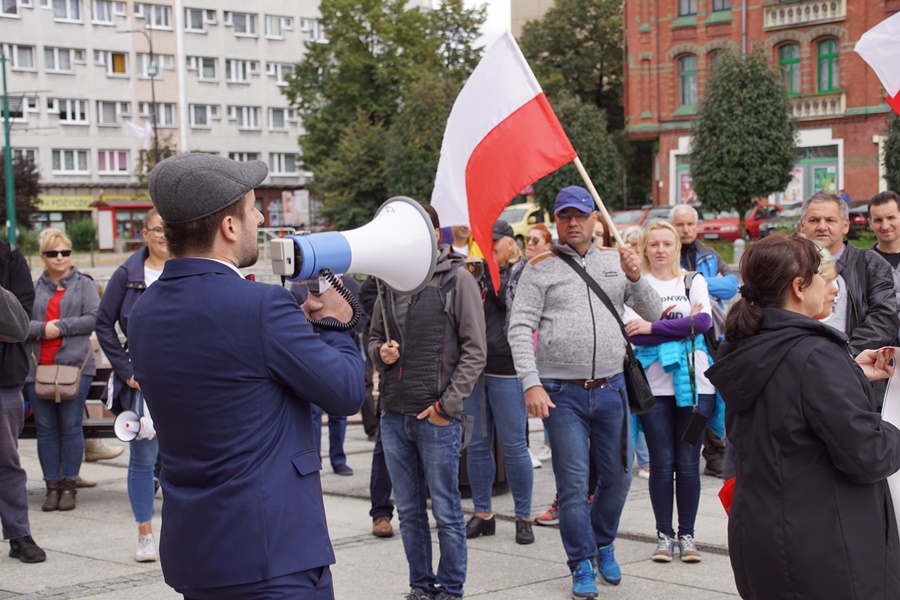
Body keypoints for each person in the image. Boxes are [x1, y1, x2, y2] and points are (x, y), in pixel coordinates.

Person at [128, 153, 365, 599]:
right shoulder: (262, 308)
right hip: (272, 558)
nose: (259, 217)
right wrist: (334, 322)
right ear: (229, 227)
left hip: (197, 556)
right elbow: (347, 392)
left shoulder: (145, 310)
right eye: (253, 208)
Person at [706, 233, 900, 600]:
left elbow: (788, 409)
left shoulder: (746, 343)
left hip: (764, 538)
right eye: (824, 277)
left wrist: (850, 373)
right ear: (799, 286)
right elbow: (868, 455)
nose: (833, 287)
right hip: (825, 548)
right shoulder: (814, 355)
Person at [508, 185, 661, 599]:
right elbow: (519, 327)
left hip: (612, 388)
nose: (572, 223)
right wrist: (531, 381)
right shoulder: (539, 267)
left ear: (595, 219)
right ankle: (580, 562)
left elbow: (654, 314)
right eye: (564, 217)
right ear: (556, 221)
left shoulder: (616, 261)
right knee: (573, 485)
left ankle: (603, 542)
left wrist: (636, 277)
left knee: (620, 477)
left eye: (580, 215)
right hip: (560, 393)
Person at [368, 202, 486, 600]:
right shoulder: (388, 282)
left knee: (448, 513)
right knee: (411, 513)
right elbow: (371, 338)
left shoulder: (457, 279)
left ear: (437, 234)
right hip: (393, 416)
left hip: (435, 416)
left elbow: (475, 351)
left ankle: (451, 589)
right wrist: (378, 353)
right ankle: (421, 586)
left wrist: (446, 407)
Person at [624, 220, 722, 563]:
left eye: (667, 243)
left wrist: (652, 325)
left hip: (695, 388)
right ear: (644, 249)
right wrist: (681, 327)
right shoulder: (637, 285)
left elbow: (704, 323)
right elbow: (632, 335)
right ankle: (665, 535)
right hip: (652, 388)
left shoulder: (692, 281)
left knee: (688, 463)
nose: (661, 250)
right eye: (654, 244)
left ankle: (688, 536)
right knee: (662, 464)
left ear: (677, 248)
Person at [95, 208, 170, 562]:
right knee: (143, 459)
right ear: (144, 233)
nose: (163, 236)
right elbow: (103, 323)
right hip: (141, 383)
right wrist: (126, 370)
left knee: (185, 457)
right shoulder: (128, 273)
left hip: (183, 377)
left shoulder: (187, 267)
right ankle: (145, 534)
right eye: (157, 230)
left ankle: (184, 531)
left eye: (169, 229)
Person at [464, 220, 534, 545]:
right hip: (475, 369)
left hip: (507, 368)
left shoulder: (522, 272)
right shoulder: (475, 271)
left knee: (513, 446)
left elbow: (514, 307)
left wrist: (490, 277)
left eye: (493, 243)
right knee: (477, 445)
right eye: (483, 243)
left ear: (510, 243)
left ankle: (523, 516)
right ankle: (483, 514)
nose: (488, 249)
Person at [25, 229, 99, 513]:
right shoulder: (33, 288)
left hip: (74, 367)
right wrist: (43, 328)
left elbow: (93, 318)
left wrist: (60, 327)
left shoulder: (84, 284)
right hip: (38, 368)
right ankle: (51, 486)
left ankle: (69, 485)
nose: (60, 258)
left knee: (70, 428)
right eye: (53, 253)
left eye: (65, 252)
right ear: (43, 256)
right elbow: (20, 321)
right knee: (45, 430)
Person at [671, 204, 736, 477]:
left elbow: (732, 285)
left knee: (714, 395)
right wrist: (709, 283)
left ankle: (714, 453)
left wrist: (694, 282)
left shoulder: (708, 255)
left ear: (697, 227)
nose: (685, 230)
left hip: (711, 335)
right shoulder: (666, 252)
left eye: (689, 225)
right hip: (677, 334)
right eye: (680, 224)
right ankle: (681, 450)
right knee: (683, 395)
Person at [798, 190, 898, 356]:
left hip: (856, 371)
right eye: (814, 220)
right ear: (802, 225)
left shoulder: (871, 264)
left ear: (845, 225)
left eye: (830, 220)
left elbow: (884, 321)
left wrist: (845, 356)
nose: (822, 227)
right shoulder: (788, 265)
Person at [291, 275, 365, 477]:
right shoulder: (299, 285)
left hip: (338, 349)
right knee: (312, 413)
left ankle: (338, 459)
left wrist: (340, 325)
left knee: (339, 414)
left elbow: (361, 317)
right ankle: (314, 459)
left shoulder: (349, 285)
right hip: (313, 355)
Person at [0, 239, 46, 563]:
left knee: (7, 462)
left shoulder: (9, 257)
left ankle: (19, 534)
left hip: (3, 379)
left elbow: (19, 324)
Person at [868, 191, 900, 313]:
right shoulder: (862, 265)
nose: (885, 226)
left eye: (891, 218)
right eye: (878, 220)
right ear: (870, 223)